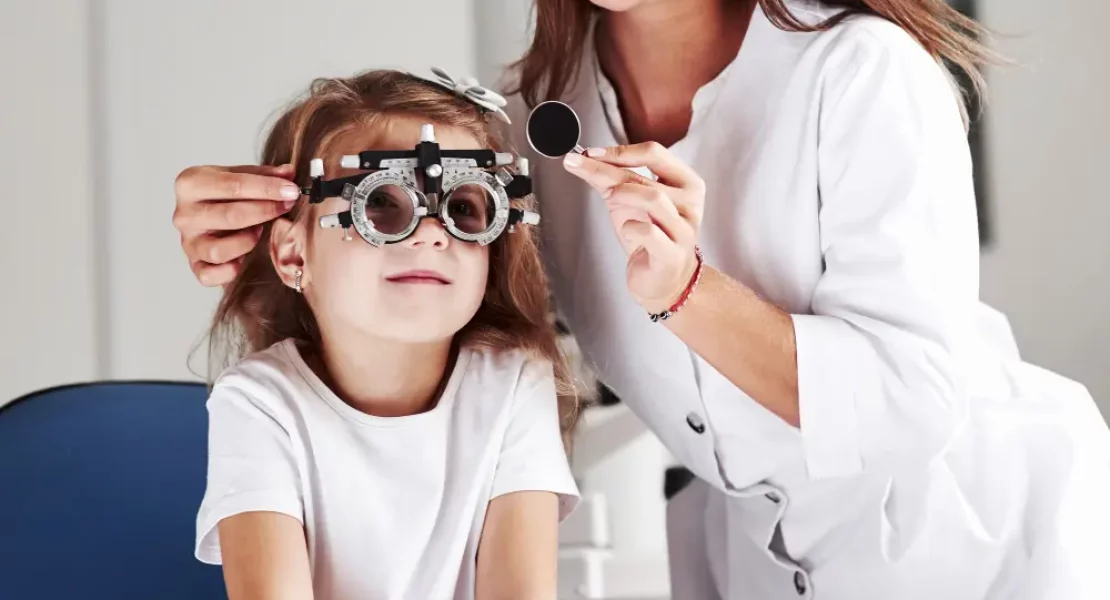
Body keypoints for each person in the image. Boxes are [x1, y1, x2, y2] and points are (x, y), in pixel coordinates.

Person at [174, 1, 1110, 598]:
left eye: (451, 208)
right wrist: (267, 237)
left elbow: (909, 409)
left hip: (982, 546)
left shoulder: (866, 73)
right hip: (752, 558)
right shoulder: (536, 122)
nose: (429, 229)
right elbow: (436, 313)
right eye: (394, 210)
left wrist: (692, 294)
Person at [190, 69, 580, 600]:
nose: (430, 232)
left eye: (463, 208)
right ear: (292, 253)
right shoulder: (260, 403)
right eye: (380, 203)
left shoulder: (513, 385)